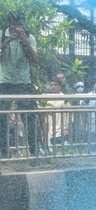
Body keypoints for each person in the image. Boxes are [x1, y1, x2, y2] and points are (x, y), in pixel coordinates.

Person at [0, 11, 38, 157]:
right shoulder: (2, 34)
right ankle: (3, 153)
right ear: (10, 24)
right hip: (4, 82)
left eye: (21, 24)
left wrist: (25, 41)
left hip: (24, 82)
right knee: (1, 118)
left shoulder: (29, 37)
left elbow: (35, 59)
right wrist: (8, 41)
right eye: (15, 24)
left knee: (29, 117)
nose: (18, 27)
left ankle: (34, 153)